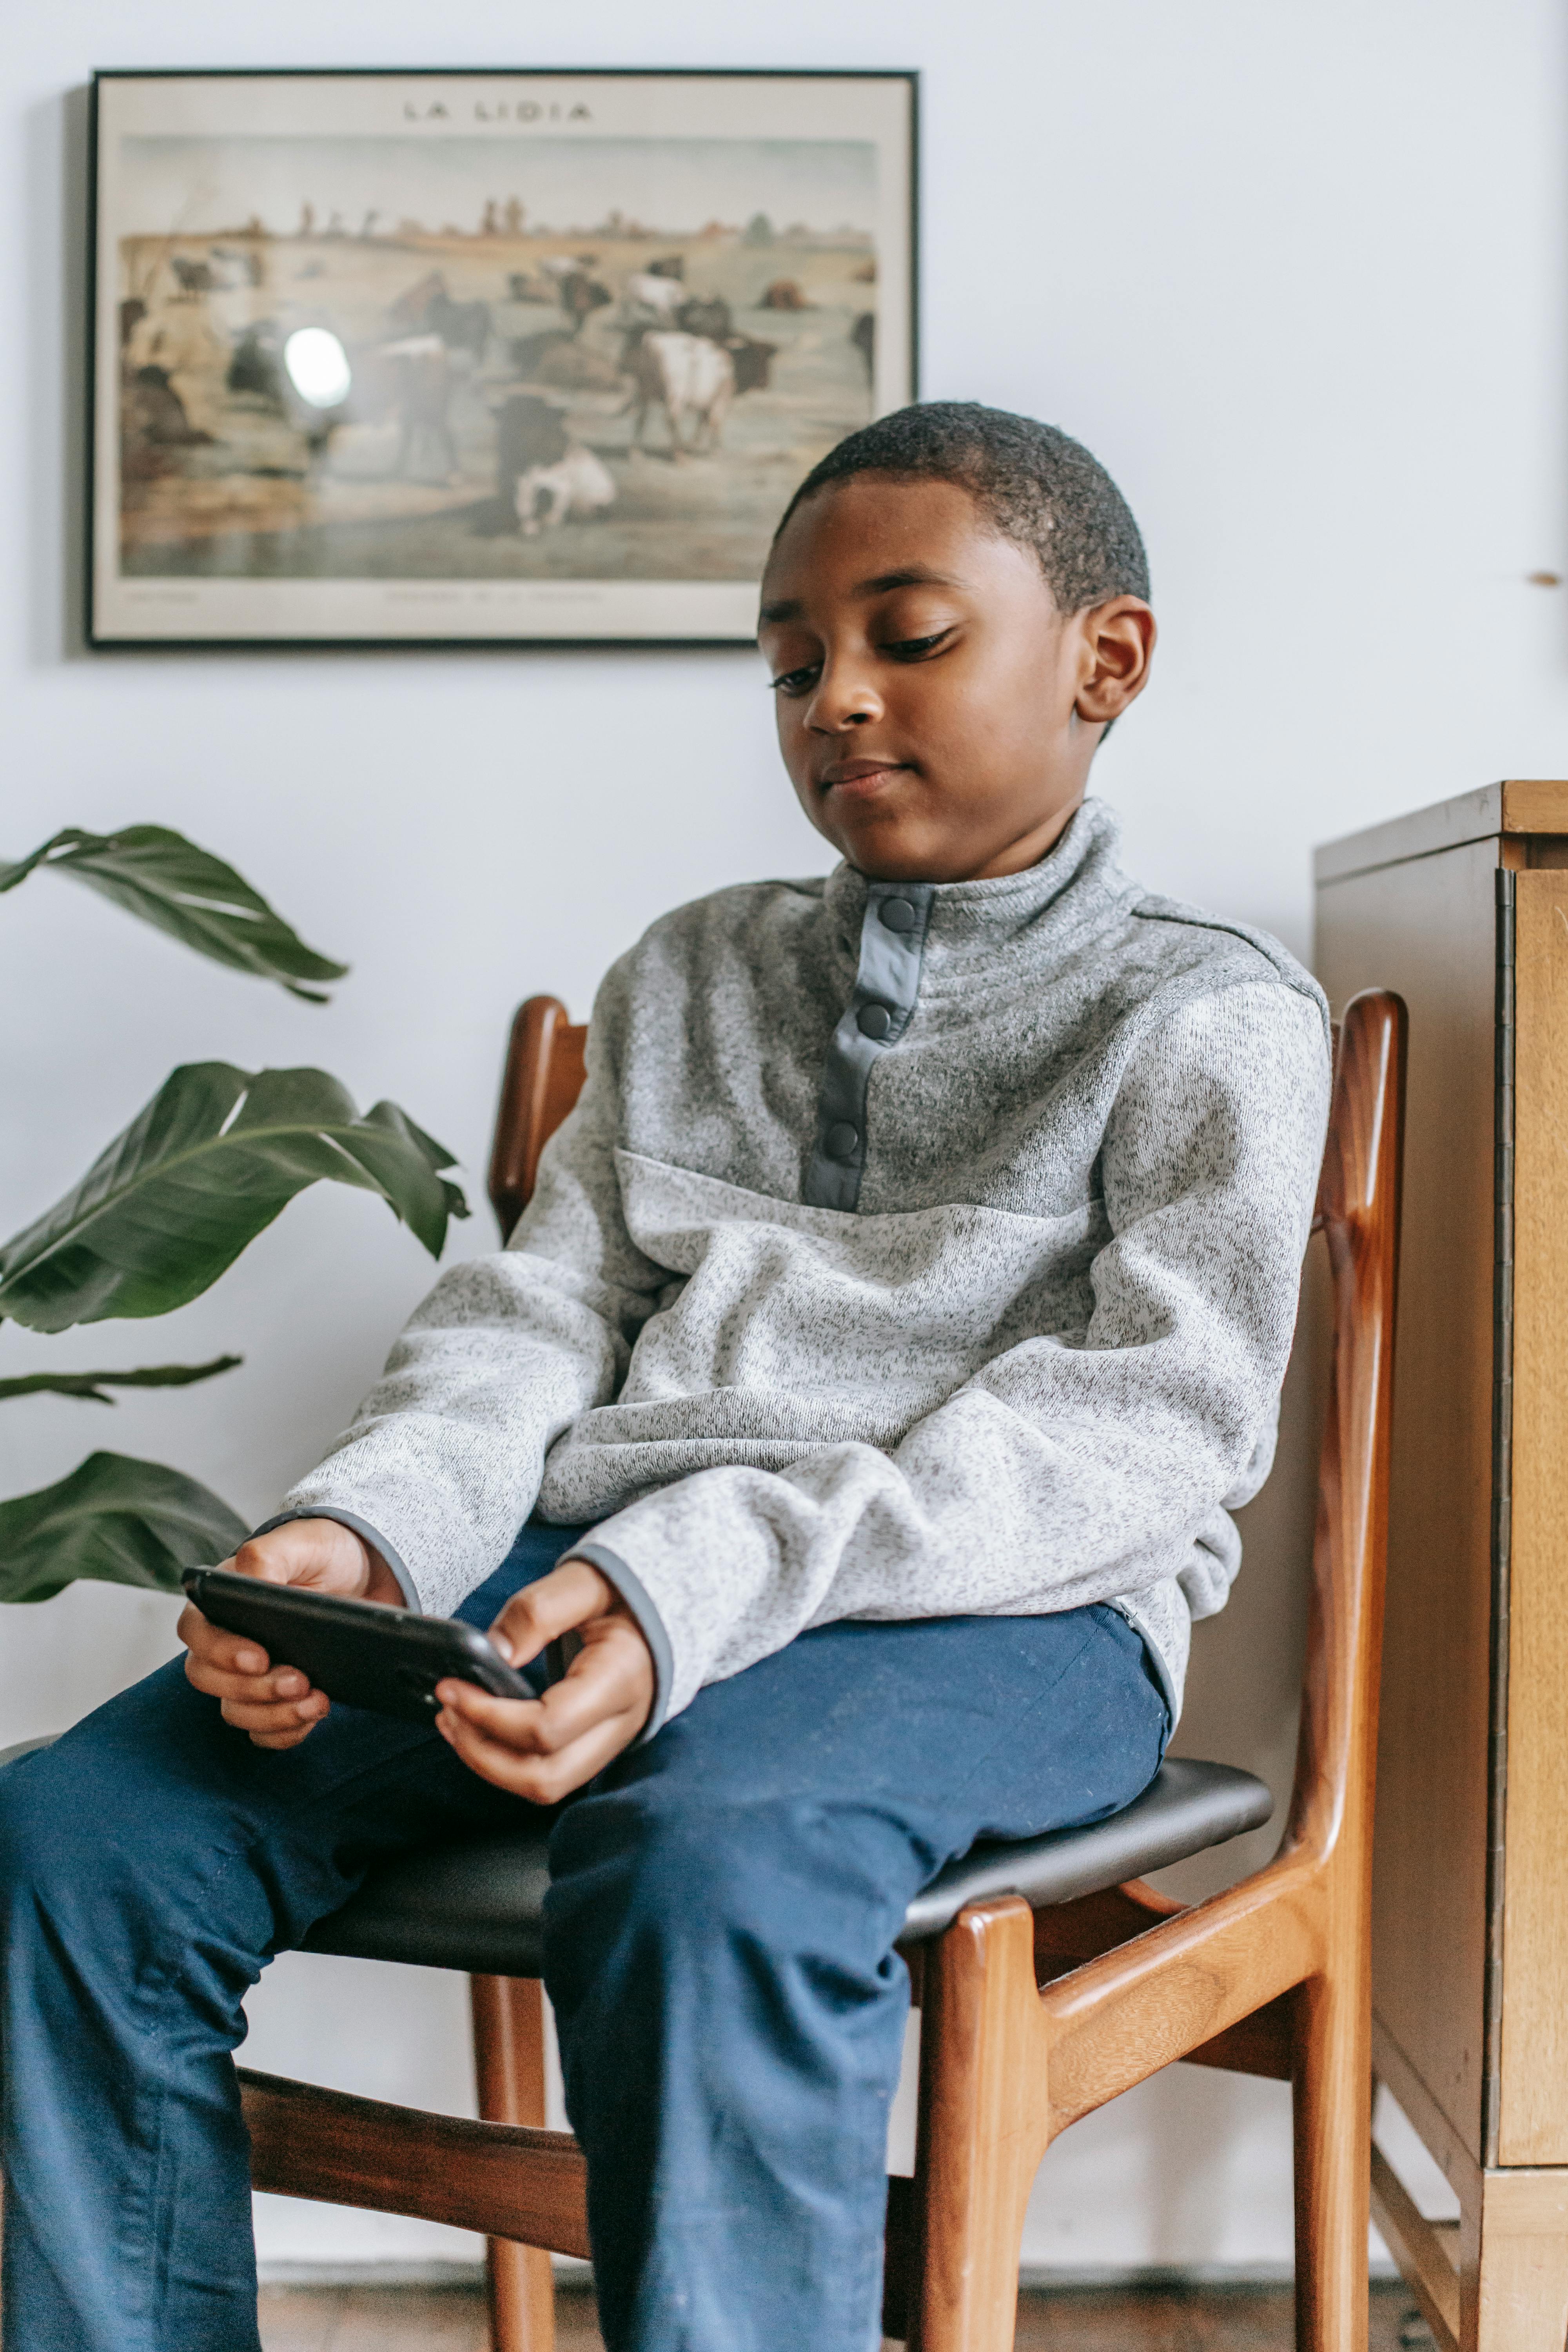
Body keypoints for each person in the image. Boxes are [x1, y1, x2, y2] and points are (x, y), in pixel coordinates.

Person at [0, 403, 1330, 2352]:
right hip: (588, 1566)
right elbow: (533, 1319)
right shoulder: (688, 976)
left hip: (990, 1606)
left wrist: (689, 1579)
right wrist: (367, 1538)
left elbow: (1146, 1427)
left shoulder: (1208, 1012)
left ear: (1103, 661)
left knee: (703, 1863)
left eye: (909, 638)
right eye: (791, 664)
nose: (835, 703)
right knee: (73, 1841)